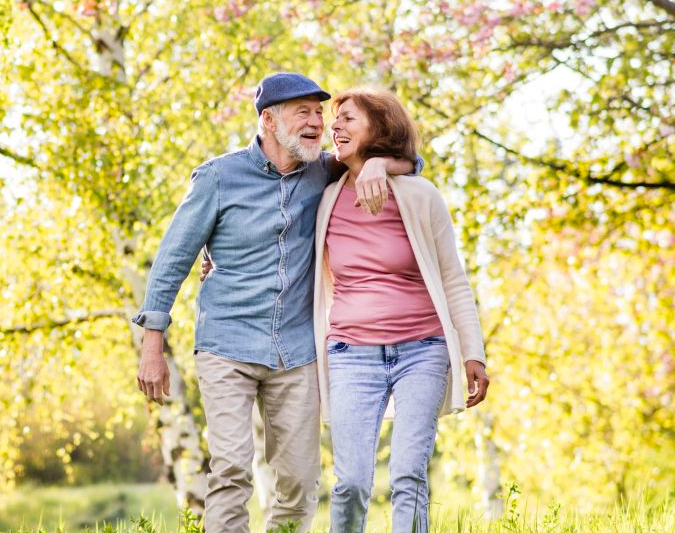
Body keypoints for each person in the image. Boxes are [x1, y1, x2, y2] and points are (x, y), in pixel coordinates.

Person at [133, 73, 422, 533]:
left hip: (297, 351)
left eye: (318, 112)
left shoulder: (324, 170)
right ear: (268, 119)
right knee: (230, 469)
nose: (316, 122)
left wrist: (377, 167)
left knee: (300, 481)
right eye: (302, 111)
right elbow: (171, 262)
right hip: (226, 344)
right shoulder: (218, 178)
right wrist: (152, 347)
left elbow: (414, 161)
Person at [312, 88, 490, 533]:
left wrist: (474, 352)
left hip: (423, 351)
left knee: (409, 475)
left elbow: (453, 278)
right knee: (350, 482)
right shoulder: (324, 196)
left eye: (348, 119)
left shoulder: (419, 194)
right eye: (336, 120)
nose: (336, 127)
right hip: (352, 354)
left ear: (380, 127)